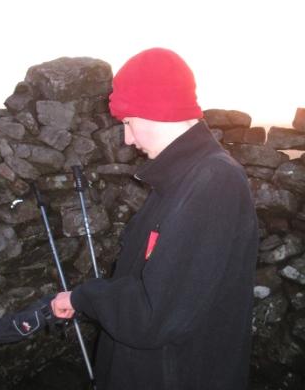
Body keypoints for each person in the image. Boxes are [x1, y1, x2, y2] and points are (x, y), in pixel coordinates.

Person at [51, 47, 259, 389]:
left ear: (158, 110)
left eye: (129, 122)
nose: (127, 138)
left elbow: (153, 316)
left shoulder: (212, 184)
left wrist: (81, 297)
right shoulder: (185, 178)